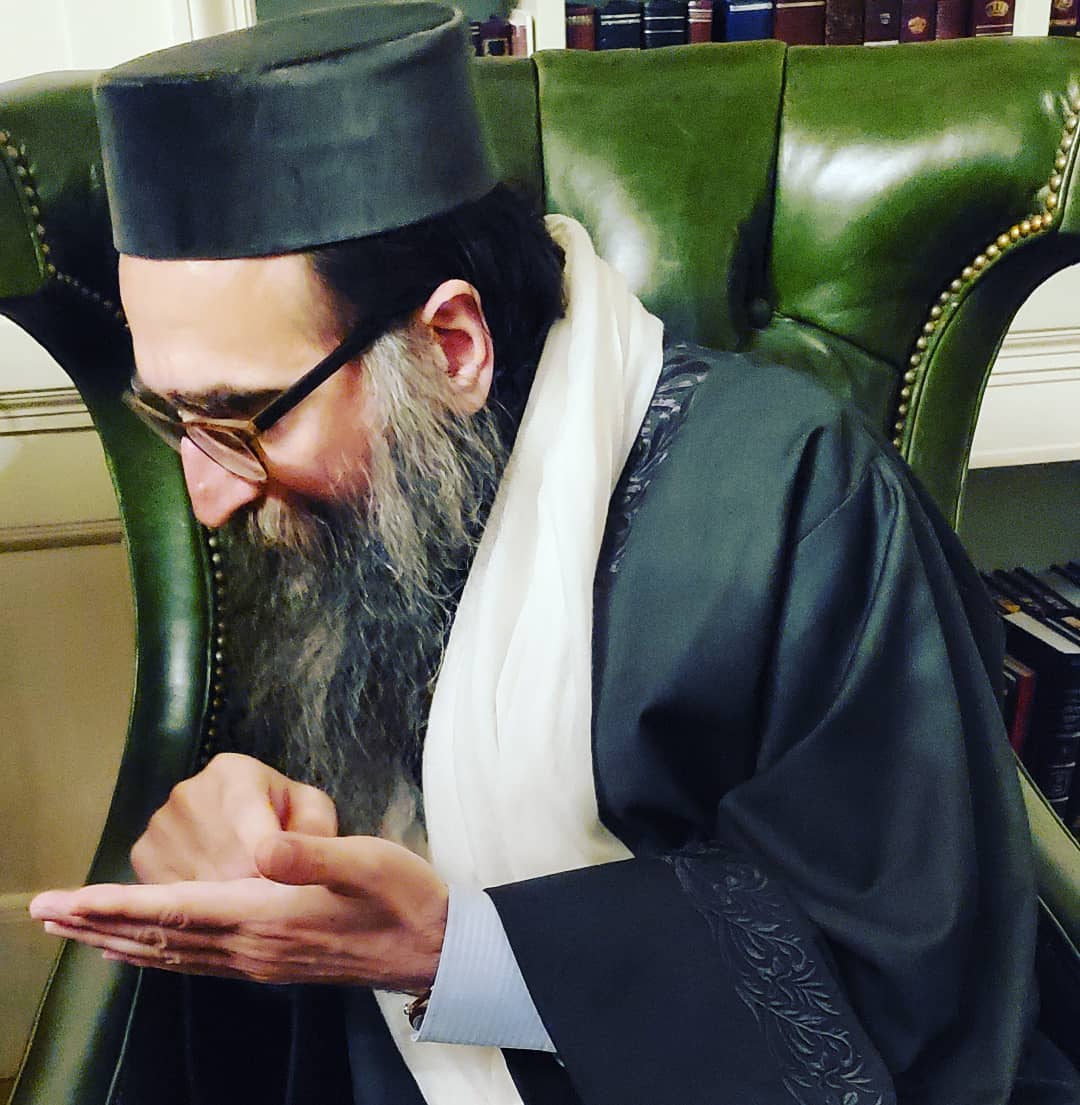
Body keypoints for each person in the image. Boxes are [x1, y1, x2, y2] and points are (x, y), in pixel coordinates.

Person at [27, 5, 1079, 1104]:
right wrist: (243, 820)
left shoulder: (801, 504)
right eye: (174, 418)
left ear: (452, 346)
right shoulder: (349, 504)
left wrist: (460, 952)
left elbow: (900, 997)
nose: (207, 496)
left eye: (243, 418)